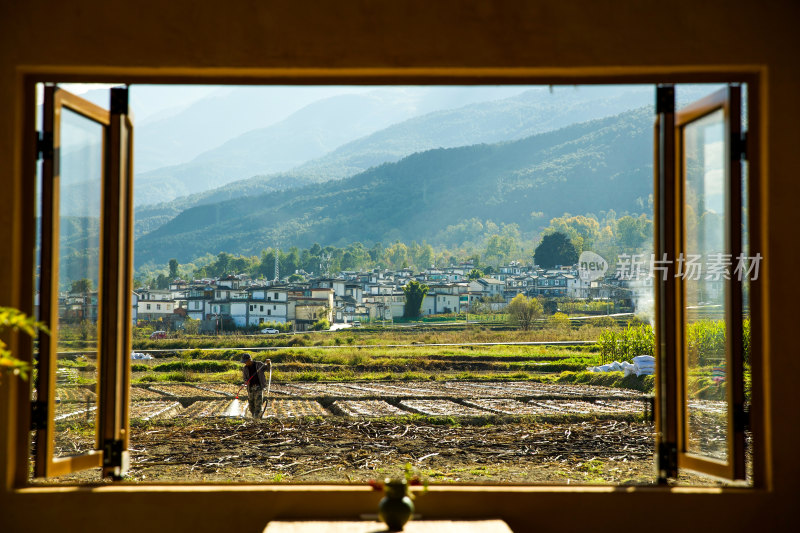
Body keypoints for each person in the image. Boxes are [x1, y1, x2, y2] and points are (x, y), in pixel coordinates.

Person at [240, 353, 271, 418]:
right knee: (251, 404)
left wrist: (268, 363)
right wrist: (246, 382)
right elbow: (245, 378)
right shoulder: (245, 368)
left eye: (246, 361)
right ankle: (253, 416)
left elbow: (268, 368)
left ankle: (258, 418)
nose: (245, 363)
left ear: (249, 359)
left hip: (259, 387)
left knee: (258, 404)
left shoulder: (259, 364)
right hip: (250, 388)